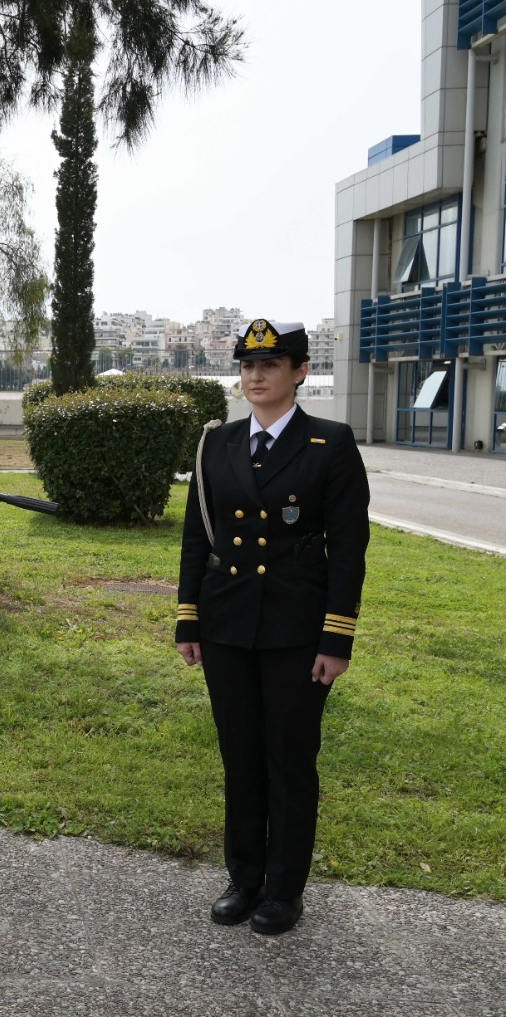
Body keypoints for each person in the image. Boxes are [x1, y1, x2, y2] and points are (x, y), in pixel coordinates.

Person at [175, 318, 370, 935]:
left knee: (289, 759)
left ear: (300, 372)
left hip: (296, 631)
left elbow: (349, 548)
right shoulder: (218, 443)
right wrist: (188, 619)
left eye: (270, 365)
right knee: (240, 756)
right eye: (247, 366)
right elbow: (197, 537)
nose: (255, 376)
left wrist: (336, 638)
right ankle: (244, 878)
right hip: (228, 624)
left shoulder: (330, 443)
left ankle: (284, 890)